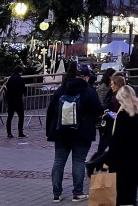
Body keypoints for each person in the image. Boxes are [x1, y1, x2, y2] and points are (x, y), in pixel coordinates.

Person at [46, 62, 104, 202]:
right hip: (82, 133)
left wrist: (49, 131)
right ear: (85, 77)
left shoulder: (61, 89)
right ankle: (77, 193)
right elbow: (98, 111)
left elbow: (51, 110)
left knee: (59, 161)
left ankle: (56, 194)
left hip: (61, 132)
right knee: (79, 161)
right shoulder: (89, 91)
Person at [101, 86, 138, 206]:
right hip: (136, 161)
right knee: (136, 195)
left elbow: (116, 142)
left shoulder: (122, 117)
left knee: (127, 196)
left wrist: (106, 162)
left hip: (122, 163)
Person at [5, 64, 27, 139]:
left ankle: (9, 133)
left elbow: (7, 88)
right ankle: (20, 133)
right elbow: (23, 90)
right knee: (21, 116)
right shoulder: (20, 79)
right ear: (20, 72)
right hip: (18, 100)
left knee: (9, 117)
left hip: (10, 100)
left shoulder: (10, 79)